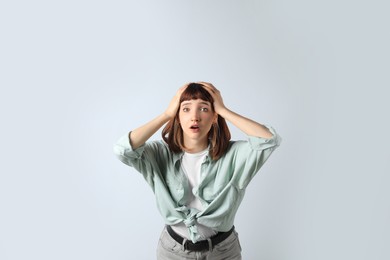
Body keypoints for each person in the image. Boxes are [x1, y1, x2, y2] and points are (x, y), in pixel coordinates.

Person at [114, 82, 281, 259]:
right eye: (186, 109)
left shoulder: (233, 154)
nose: (195, 117)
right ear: (177, 116)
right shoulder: (159, 154)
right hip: (173, 252)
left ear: (214, 116)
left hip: (223, 251)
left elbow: (269, 140)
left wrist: (224, 111)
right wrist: (166, 114)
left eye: (204, 109)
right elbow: (123, 150)